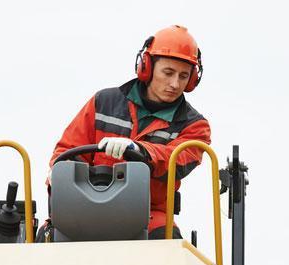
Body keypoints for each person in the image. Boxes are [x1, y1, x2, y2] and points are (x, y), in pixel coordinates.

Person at [49, 25, 211, 239]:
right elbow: (68, 150)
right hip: (86, 206)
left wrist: (140, 150)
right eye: (168, 73)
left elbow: (176, 161)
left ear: (192, 80)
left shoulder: (194, 126)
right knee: (48, 237)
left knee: (168, 243)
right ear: (147, 67)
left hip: (149, 215)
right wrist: (59, 173)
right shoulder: (103, 102)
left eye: (183, 76)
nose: (174, 83)